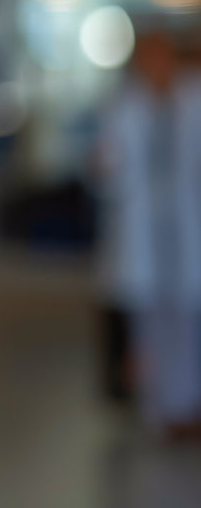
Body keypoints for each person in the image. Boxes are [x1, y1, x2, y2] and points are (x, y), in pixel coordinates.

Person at [96, 30, 201, 439]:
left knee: (187, 327)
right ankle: (160, 412)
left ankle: (188, 407)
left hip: (185, 232)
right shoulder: (124, 106)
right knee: (149, 330)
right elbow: (108, 169)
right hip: (144, 237)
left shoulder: (192, 100)